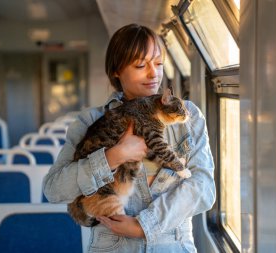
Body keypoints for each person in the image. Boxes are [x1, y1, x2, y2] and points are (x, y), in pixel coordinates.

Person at [43, 23, 215, 253]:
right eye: (141, 65)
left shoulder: (187, 115)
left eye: (159, 63)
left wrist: (143, 225)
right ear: (116, 70)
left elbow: (204, 187)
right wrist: (114, 156)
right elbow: (54, 190)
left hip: (174, 245)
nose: (154, 74)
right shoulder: (90, 121)